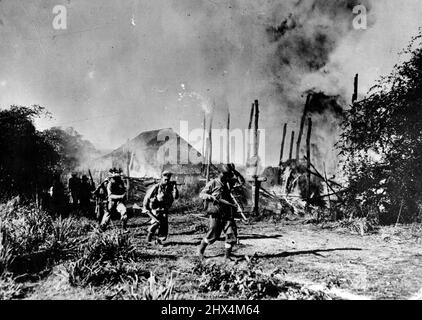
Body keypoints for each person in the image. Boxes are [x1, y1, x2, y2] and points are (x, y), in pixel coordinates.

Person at [197, 165, 238, 260]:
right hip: (216, 212)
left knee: (230, 233)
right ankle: (200, 250)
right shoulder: (213, 182)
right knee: (213, 234)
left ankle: (227, 257)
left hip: (227, 213)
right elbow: (202, 194)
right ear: (221, 174)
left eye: (228, 175)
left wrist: (234, 170)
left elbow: (241, 181)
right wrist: (211, 197)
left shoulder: (228, 183)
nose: (227, 177)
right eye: (225, 175)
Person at [143, 171, 179, 245]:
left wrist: (175, 188)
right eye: (165, 179)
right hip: (155, 209)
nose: (167, 181)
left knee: (164, 225)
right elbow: (146, 198)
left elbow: (176, 197)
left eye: (168, 179)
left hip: (164, 209)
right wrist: (146, 209)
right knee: (156, 223)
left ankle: (159, 240)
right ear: (162, 178)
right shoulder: (156, 187)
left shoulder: (169, 187)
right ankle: (148, 240)